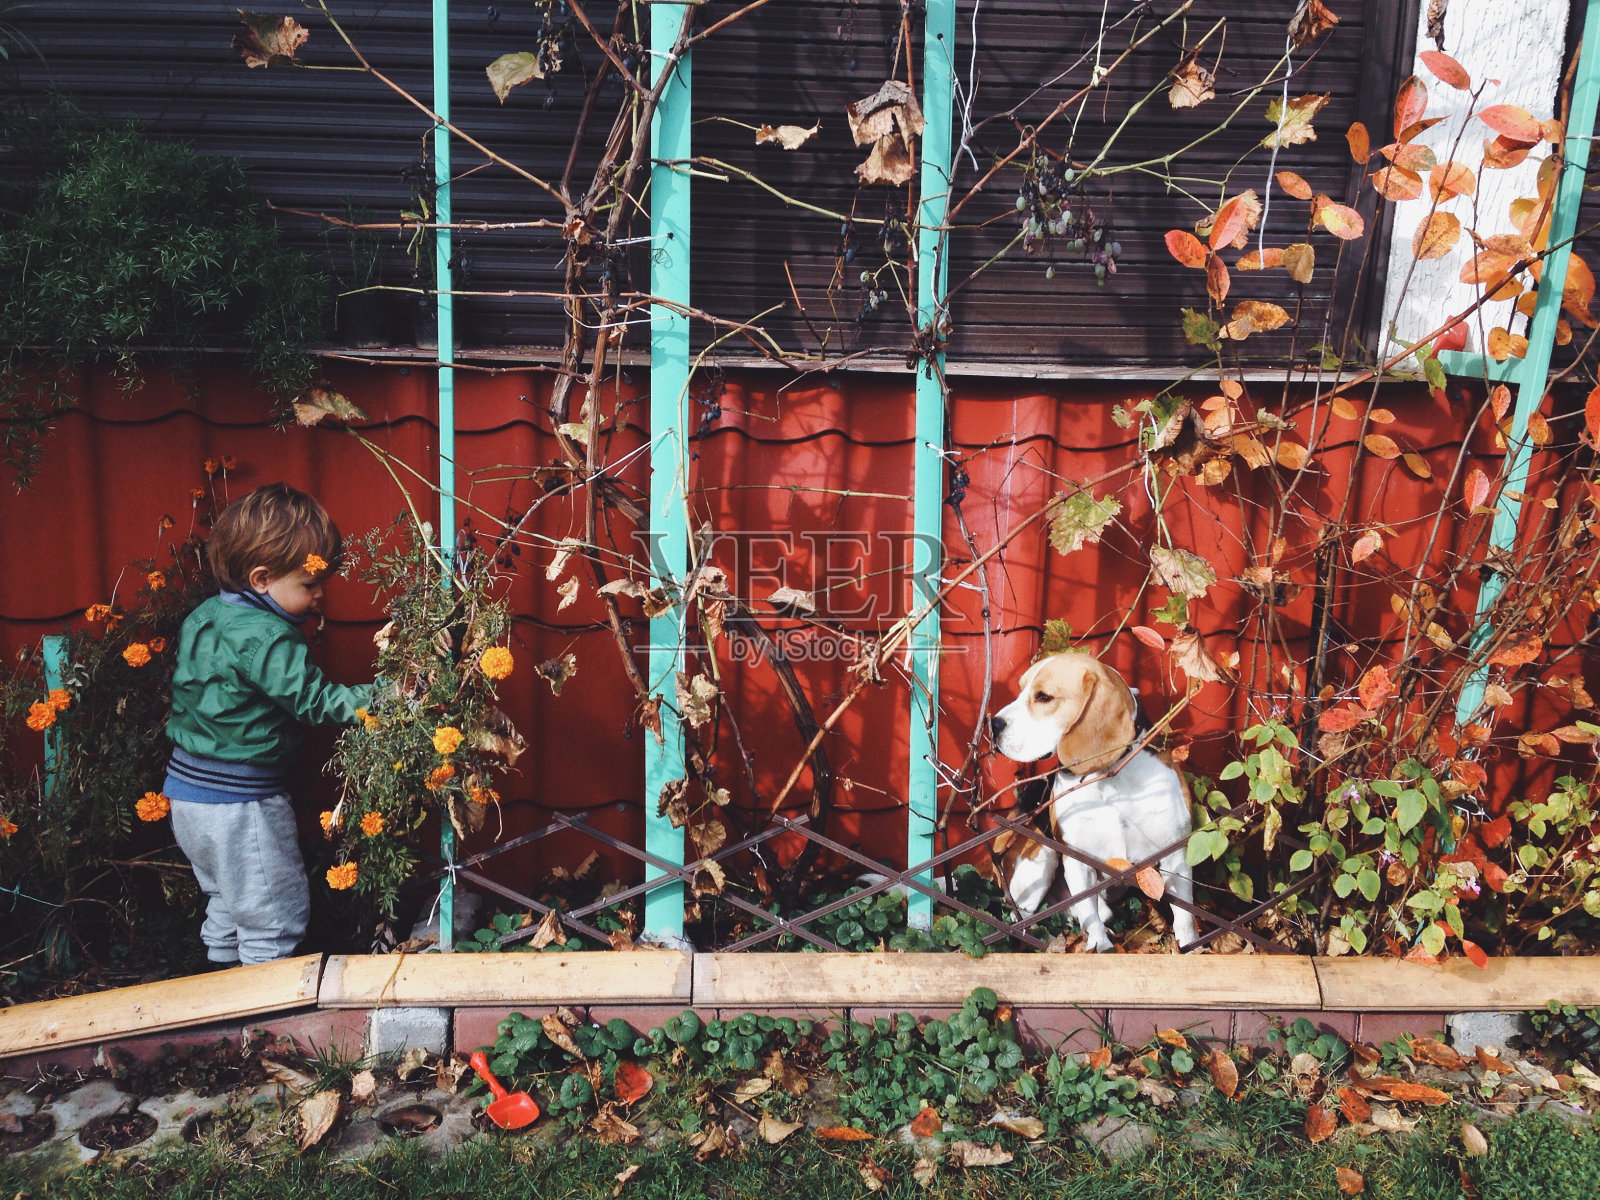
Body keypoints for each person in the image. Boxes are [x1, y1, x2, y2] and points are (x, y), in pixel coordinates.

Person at [162, 482, 373, 966]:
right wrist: (385, 696)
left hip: (189, 798)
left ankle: (217, 1004)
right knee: (272, 918)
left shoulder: (206, 616)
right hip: (241, 805)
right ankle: (265, 1031)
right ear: (260, 578)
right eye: (309, 584)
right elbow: (316, 703)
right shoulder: (270, 638)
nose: (321, 595)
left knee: (228, 905)